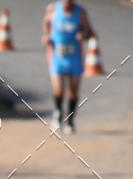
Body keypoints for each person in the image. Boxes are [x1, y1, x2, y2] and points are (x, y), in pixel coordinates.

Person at [42, 0, 94, 134]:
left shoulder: (80, 12)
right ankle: (58, 114)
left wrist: (83, 35)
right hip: (57, 56)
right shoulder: (53, 9)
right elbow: (46, 22)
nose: (66, 3)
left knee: (73, 90)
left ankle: (70, 121)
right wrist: (47, 36)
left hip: (74, 56)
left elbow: (89, 31)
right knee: (59, 90)